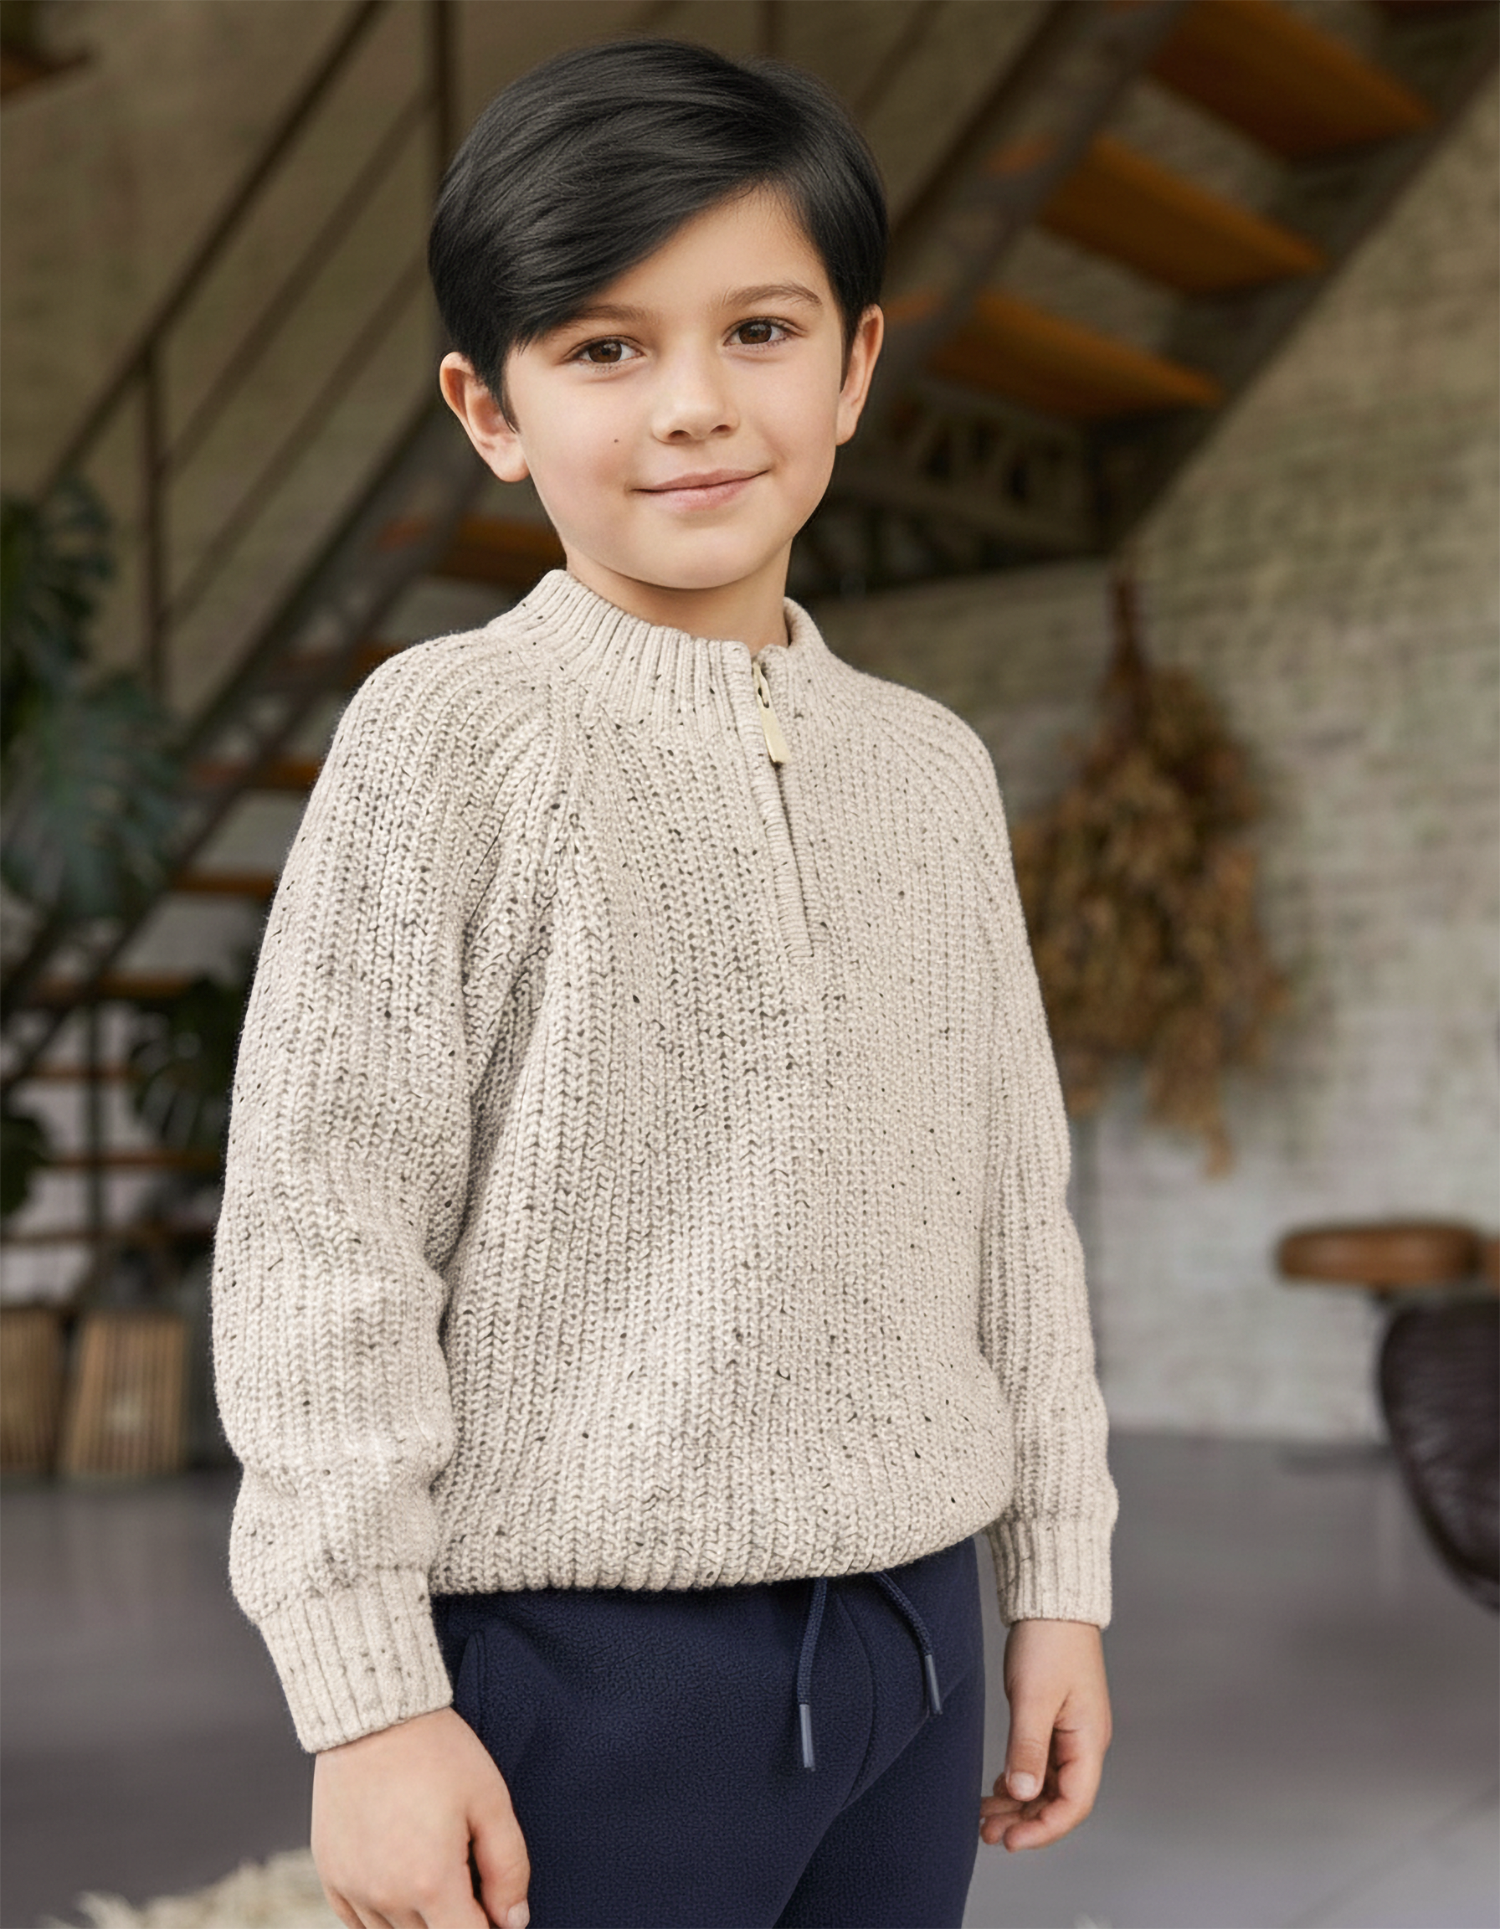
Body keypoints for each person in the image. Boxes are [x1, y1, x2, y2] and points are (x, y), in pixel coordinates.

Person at [210, 35, 1118, 1929]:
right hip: (580, 1671)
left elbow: (1012, 1217)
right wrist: (368, 1703)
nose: (695, 405)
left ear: (859, 362)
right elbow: (323, 1237)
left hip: (917, 1638)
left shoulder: (933, 769)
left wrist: (1058, 1583)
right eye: (608, 347)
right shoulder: (442, 738)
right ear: (491, 408)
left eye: (762, 330)